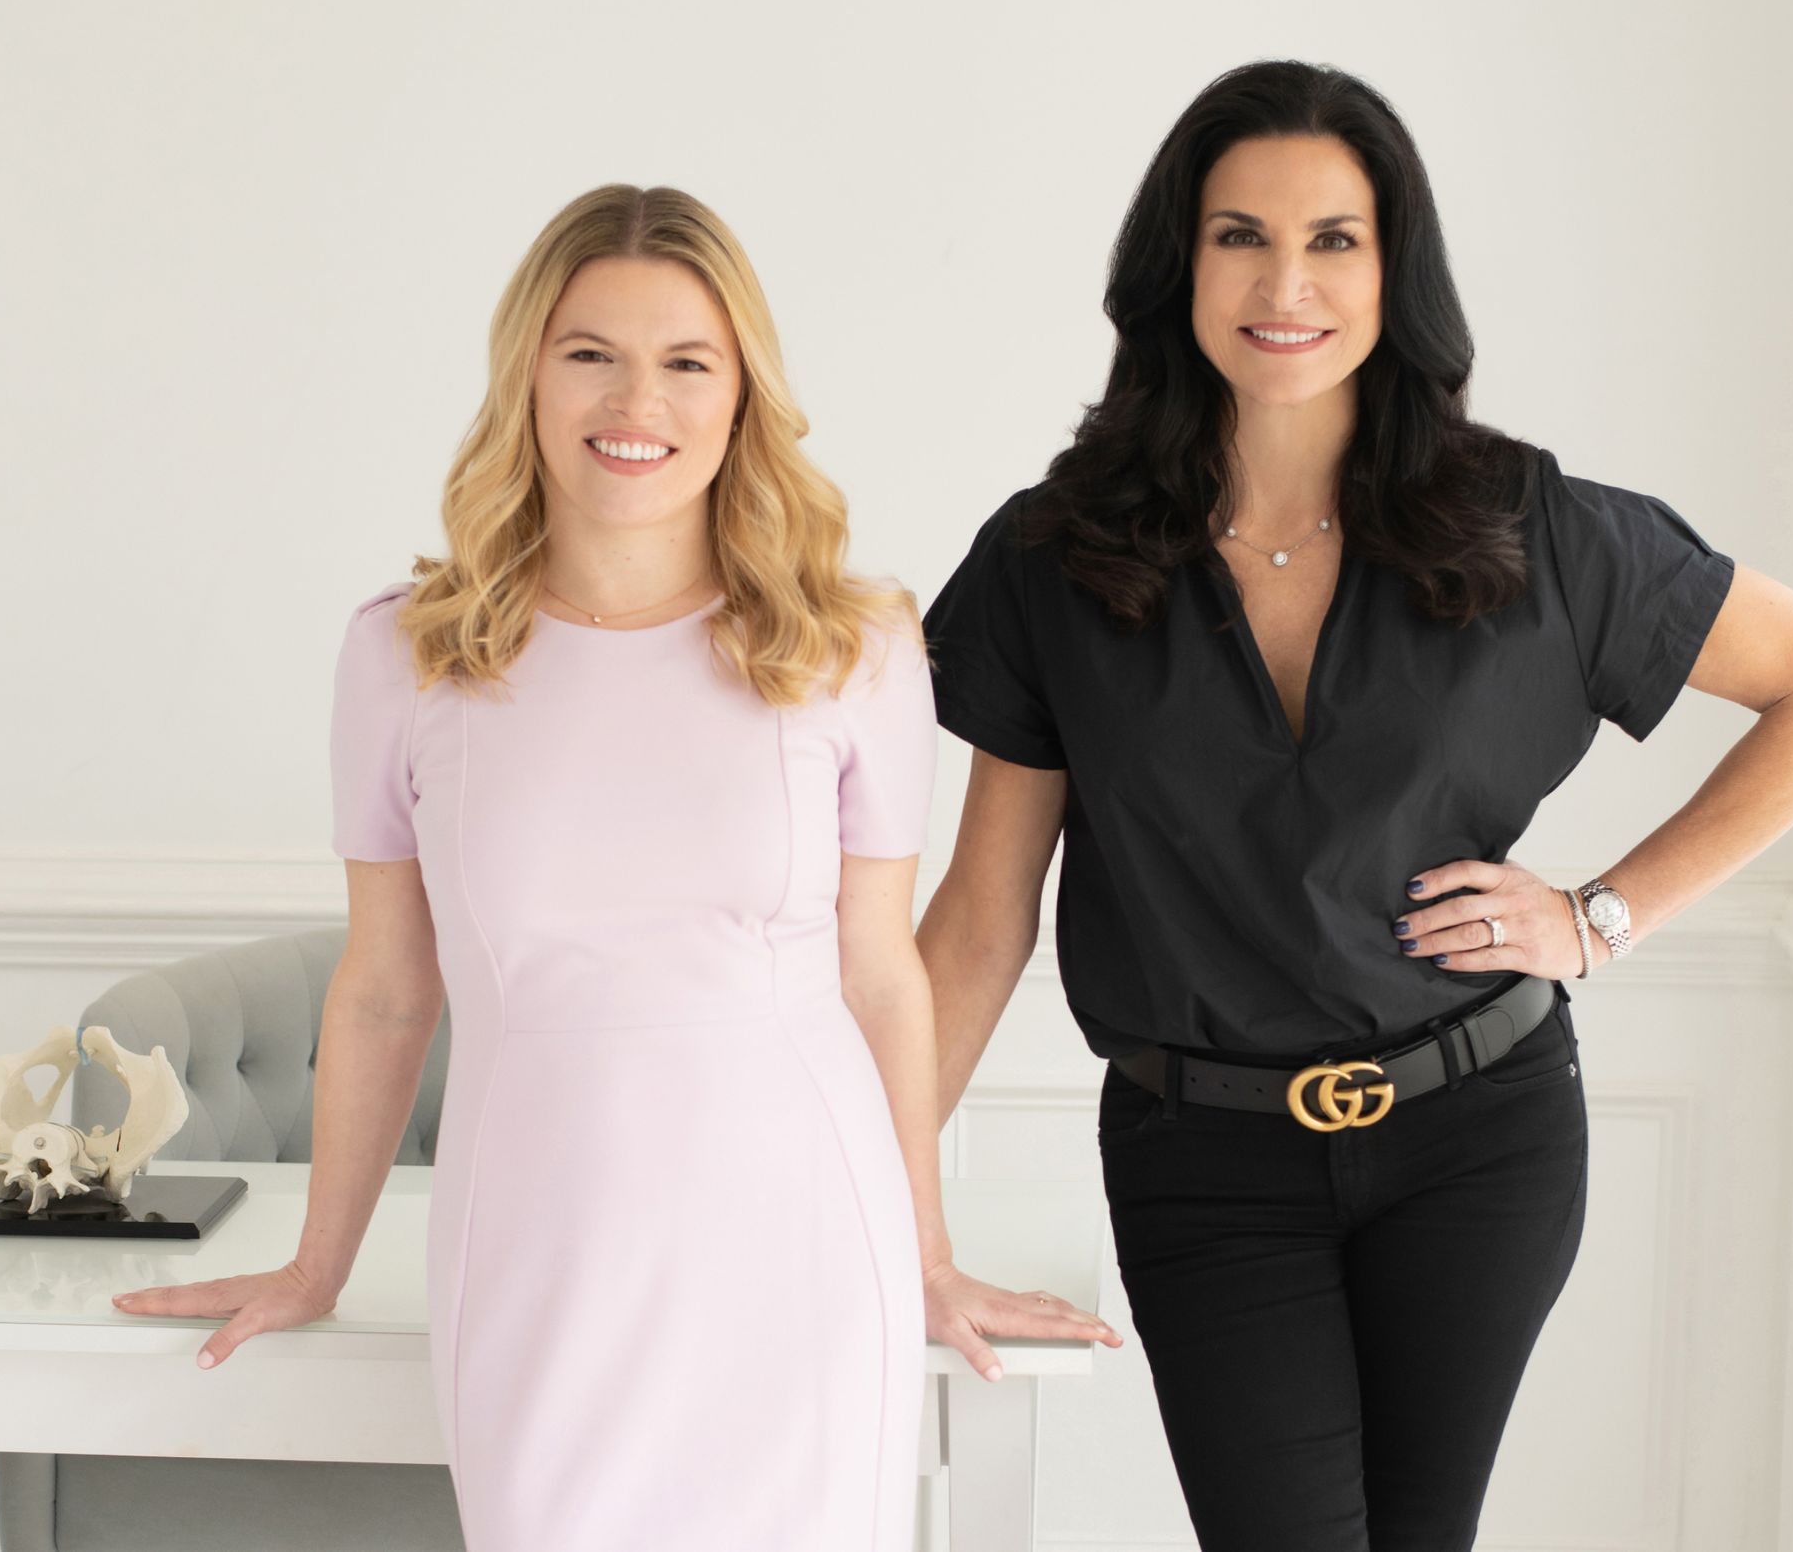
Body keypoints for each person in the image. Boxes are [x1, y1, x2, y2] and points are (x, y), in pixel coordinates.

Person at [912, 60, 1793, 1552]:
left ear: (1396, 271)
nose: (1284, 281)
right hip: (1207, 1160)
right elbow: (982, 917)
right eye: (1239, 234)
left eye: (1335, 239)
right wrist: (881, 1207)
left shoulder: (1531, 528)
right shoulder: (1060, 558)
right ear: (1177, 262)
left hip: (1481, 1136)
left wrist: (1599, 915)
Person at [108, 182, 1118, 1552]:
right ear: (527, 371)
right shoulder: (406, 653)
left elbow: (882, 980)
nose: (634, 398)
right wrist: (317, 1261)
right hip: (538, 1243)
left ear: (741, 392)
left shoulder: (855, 646)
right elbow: (387, 991)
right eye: (590, 351)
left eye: (687, 361)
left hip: (805, 1242)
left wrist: (925, 1255)